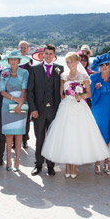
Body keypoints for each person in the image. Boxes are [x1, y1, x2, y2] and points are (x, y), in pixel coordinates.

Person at [41, 52, 109, 178]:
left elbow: (89, 93)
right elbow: (61, 94)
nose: (69, 64)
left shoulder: (83, 76)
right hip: (66, 107)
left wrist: (81, 95)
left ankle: (74, 167)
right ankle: (67, 165)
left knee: (77, 136)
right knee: (66, 135)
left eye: (71, 61)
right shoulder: (64, 76)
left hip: (79, 107)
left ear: (77, 62)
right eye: (67, 62)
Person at [27, 44, 64, 176]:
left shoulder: (60, 69)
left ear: (54, 55)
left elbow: (63, 90)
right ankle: (38, 164)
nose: (48, 56)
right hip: (39, 110)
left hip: (54, 110)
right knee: (40, 138)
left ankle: (50, 165)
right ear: (42, 54)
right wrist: (33, 109)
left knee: (52, 139)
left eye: (51, 54)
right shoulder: (34, 69)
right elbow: (30, 92)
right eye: (46, 53)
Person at [89, 53, 110, 174]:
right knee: (99, 136)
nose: (105, 67)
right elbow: (91, 95)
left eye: (107, 64)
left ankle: (107, 161)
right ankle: (97, 162)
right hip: (98, 109)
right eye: (102, 65)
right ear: (99, 66)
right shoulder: (94, 78)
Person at [0, 50, 30, 172]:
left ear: (19, 61)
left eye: (15, 59)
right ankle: (8, 160)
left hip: (21, 104)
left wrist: (20, 103)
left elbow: (25, 89)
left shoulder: (24, 72)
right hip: (7, 105)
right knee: (9, 134)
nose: (13, 61)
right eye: (11, 59)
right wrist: (14, 99)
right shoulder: (4, 72)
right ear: (8, 61)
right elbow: (2, 91)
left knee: (19, 134)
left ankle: (17, 160)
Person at [18, 41, 33, 148]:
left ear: (28, 49)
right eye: (21, 47)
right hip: (15, 93)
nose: (23, 49)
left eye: (25, 48)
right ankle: (15, 140)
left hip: (27, 94)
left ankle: (25, 139)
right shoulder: (14, 60)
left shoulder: (30, 61)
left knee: (26, 118)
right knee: (16, 116)